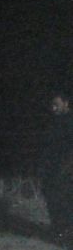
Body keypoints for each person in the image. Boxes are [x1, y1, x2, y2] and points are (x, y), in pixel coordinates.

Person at [42, 92, 73, 239]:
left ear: (66, 103)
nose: (53, 108)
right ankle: (58, 228)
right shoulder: (54, 122)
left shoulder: (69, 121)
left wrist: (67, 166)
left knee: (65, 199)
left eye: (57, 105)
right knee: (52, 197)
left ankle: (65, 230)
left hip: (66, 168)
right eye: (52, 105)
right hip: (52, 166)